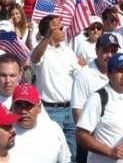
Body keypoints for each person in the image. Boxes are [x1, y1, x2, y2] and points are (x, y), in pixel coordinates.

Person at [76, 53, 123, 163]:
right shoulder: (98, 98)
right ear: (109, 74)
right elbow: (81, 135)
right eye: (120, 70)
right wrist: (110, 152)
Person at [30, 15, 82, 159]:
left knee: (71, 155)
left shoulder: (68, 51)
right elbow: (34, 58)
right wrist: (46, 37)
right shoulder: (41, 51)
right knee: (53, 154)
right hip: (50, 111)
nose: (63, 30)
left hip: (70, 110)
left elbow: (79, 73)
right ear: (49, 31)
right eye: (59, 28)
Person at [9, 84, 71, 163]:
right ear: (12, 107)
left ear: (39, 108)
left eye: (28, 105)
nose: (23, 111)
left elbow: (65, 160)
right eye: (19, 105)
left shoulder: (53, 130)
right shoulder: (4, 132)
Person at [71, 33, 119, 122]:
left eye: (113, 51)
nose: (110, 55)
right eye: (105, 51)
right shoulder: (84, 75)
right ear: (96, 51)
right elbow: (77, 111)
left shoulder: (120, 72)